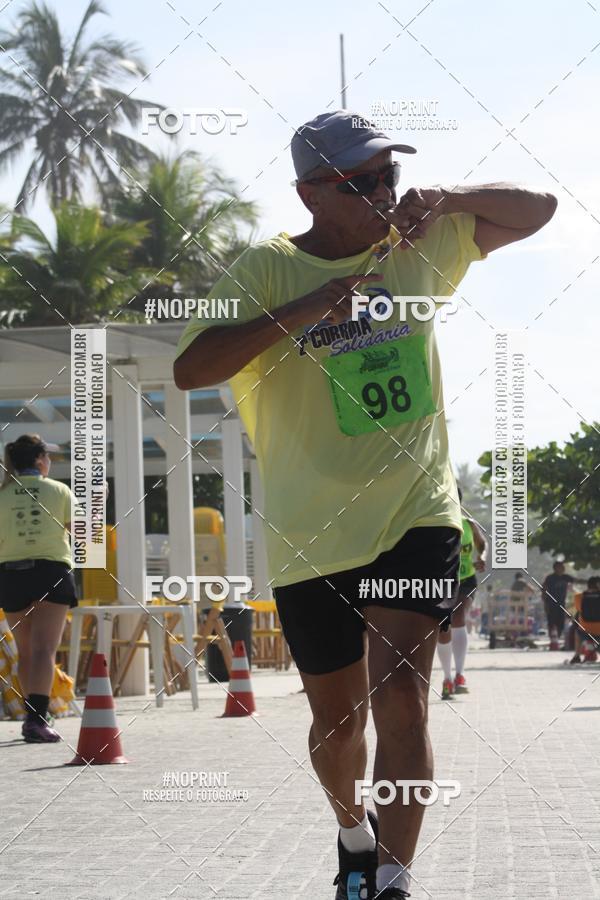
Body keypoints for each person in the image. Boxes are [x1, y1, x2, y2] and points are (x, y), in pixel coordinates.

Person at [174, 110, 556, 899]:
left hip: (416, 515)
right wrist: (304, 312)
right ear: (311, 194)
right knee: (338, 727)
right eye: (364, 181)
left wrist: (450, 195)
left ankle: (392, 879)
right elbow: (191, 367)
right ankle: (354, 833)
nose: (387, 191)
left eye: (392, 173)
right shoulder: (267, 268)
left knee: (405, 703)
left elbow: (539, 208)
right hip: (312, 534)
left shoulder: (418, 242)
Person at [0, 434, 77, 742]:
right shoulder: (59, 490)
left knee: (28, 650)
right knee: (46, 648)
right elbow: (83, 533)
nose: (50, 463)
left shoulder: (3, 493)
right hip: (51, 571)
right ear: (39, 460)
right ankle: (37, 718)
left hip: (10, 573)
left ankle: (33, 714)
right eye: (49, 458)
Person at [437, 486, 487, 699]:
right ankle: (447, 678)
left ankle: (460, 674)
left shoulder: (469, 524)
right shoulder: (436, 523)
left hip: (466, 580)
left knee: (458, 618)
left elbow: (482, 544)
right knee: (443, 628)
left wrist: (482, 557)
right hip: (441, 581)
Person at [541, 561, 586, 650]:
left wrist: (589, 581)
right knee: (551, 622)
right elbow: (544, 590)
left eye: (563, 567)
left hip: (561, 604)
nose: (563, 568)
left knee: (560, 623)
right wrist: (545, 603)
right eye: (561, 567)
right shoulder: (550, 578)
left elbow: (577, 580)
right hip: (551, 604)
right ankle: (553, 640)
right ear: (555, 568)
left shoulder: (566, 577)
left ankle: (556, 639)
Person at [569, 577, 600, 664]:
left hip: (585, 631)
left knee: (577, 632)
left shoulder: (578, 597)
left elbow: (579, 610)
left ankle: (577, 656)